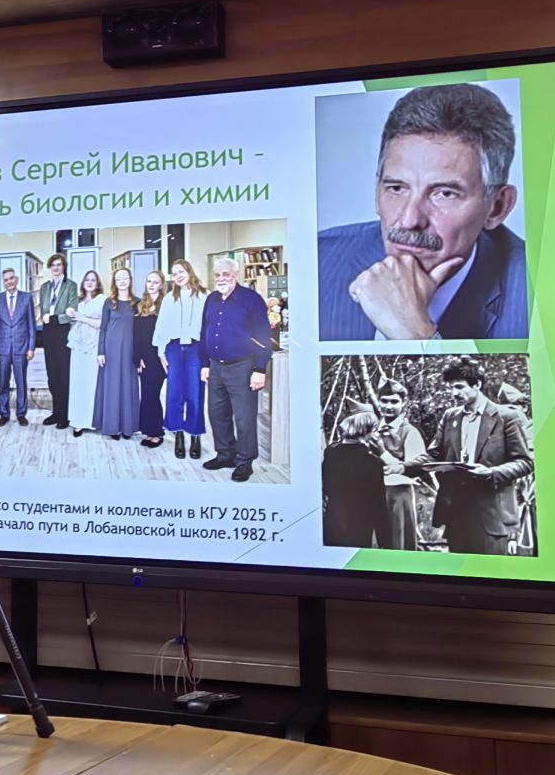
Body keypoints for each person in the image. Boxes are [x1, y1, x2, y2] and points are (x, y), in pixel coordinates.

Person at [318, 83, 527, 341]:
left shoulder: (539, 292)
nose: (409, 220)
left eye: (444, 194)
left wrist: (415, 335)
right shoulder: (318, 259)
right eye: (397, 188)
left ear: (497, 207)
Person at [429, 357, 533, 555]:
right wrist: (401, 465)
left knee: (491, 571)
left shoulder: (506, 417)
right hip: (457, 516)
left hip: (492, 517)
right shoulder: (450, 417)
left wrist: (492, 473)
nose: (454, 393)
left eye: (459, 387)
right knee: (459, 571)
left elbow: (525, 462)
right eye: (451, 388)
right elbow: (432, 454)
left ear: (477, 385)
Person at [199, 257, 272, 483]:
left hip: (243, 367)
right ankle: (225, 455)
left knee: (244, 418)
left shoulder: (251, 299)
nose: (221, 279)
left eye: (226, 274)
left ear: (235, 275)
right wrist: (204, 363)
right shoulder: (211, 299)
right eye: (217, 275)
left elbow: (263, 336)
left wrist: (260, 369)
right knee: (217, 414)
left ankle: (244, 462)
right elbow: (204, 331)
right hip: (215, 366)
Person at [153, 258, 206, 461]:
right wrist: (160, 352)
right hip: (173, 348)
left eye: (181, 271)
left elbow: (209, 325)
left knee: (195, 393)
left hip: (195, 348)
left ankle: (195, 435)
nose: (178, 276)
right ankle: (178, 435)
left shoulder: (204, 295)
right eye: (174, 274)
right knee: (174, 394)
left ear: (189, 271)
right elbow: (161, 326)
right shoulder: (169, 298)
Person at [321, 411, 391, 547]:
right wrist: (384, 539)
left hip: (333, 517)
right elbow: (378, 503)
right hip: (360, 523)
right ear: (369, 431)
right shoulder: (372, 462)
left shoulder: (330, 453)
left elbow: (327, 487)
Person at [370, 379, 425, 550]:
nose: (388, 406)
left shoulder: (410, 432)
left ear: (403, 403)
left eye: (394, 402)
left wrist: (383, 453)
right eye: (384, 401)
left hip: (398, 494)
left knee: (397, 541)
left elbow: (412, 469)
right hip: (372, 492)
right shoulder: (372, 429)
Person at [93, 268, 141, 441]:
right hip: (111, 349)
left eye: (125, 277)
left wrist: (141, 354)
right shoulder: (109, 302)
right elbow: (103, 328)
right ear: (114, 281)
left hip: (130, 350)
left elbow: (142, 330)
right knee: (112, 387)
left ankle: (128, 427)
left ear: (130, 280)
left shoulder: (137, 303)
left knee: (128, 386)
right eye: (118, 278)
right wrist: (100, 351)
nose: (122, 281)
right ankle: (112, 427)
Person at [0, 268, 36, 427]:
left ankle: (21, 413)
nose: (9, 281)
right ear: (3, 282)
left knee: (21, 381)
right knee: (3, 382)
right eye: (6, 280)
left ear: (16, 280)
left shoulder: (26, 298)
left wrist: (31, 347)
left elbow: (31, 324)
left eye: (11, 278)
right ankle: (4, 413)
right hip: (2, 347)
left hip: (21, 347)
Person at [37, 254, 77, 428]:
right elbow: (43, 310)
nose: (56, 268)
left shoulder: (71, 286)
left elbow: (71, 312)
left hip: (63, 332)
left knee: (63, 376)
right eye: (53, 265)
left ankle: (65, 415)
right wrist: (49, 318)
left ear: (64, 266)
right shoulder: (44, 287)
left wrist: (54, 318)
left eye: (59, 265)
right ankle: (56, 412)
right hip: (48, 333)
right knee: (52, 376)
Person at [65, 270, 104, 436]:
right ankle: (78, 421)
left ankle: (91, 421)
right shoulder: (78, 300)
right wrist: (70, 313)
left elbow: (102, 323)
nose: (89, 282)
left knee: (91, 384)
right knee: (77, 383)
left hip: (93, 346)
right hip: (78, 346)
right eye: (87, 279)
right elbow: (70, 318)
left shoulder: (102, 300)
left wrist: (83, 318)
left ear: (97, 283)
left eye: (93, 280)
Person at [133, 271, 168, 449]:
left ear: (161, 285)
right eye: (149, 281)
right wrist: (137, 357)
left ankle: (156, 432)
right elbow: (135, 334)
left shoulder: (167, 305)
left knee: (153, 394)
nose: (151, 285)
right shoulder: (140, 306)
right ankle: (148, 430)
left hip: (159, 356)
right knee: (146, 394)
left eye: (155, 282)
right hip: (144, 357)